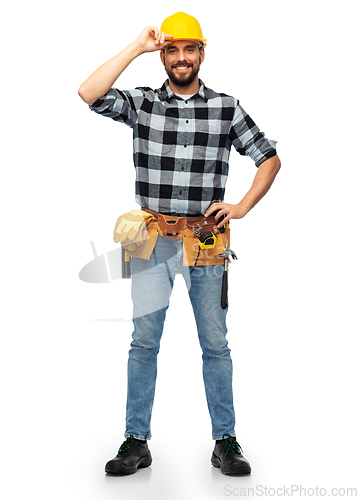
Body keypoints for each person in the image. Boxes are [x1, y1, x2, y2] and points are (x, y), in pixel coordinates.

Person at [78, 12, 281, 476]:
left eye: (190, 49)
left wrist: (243, 206)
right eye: (173, 50)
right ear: (164, 56)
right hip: (151, 240)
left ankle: (225, 441)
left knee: (215, 343)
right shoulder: (143, 103)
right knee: (144, 342)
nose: (182, 58)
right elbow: (89, 93)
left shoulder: (226, 107)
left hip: (206, 240)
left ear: (202, 53)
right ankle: (136, 440)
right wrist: (137, 46)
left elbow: (268, 158)